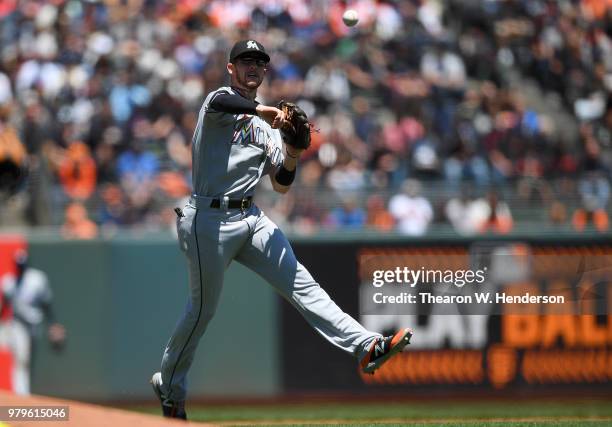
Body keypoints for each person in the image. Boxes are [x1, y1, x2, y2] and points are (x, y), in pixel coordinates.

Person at [150, 40, 413, 420]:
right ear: (231, 67)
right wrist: (264, 109)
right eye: (245, 61)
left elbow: (282, 184)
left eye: (258, 61)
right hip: (207, 220)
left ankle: (366, 346)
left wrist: (293, 151)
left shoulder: (266, 127)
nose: (252, 66)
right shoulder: (219, 101)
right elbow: (227, 105)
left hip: (250, 218)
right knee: (203, 310)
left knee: (302, 283)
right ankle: (170, 387)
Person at [0, 249, 66, 395]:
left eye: (23, 265)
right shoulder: (9, 282)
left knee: (28, 358)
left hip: (34, 325)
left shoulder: (37, 280)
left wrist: (53, 323)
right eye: (18, 265)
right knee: (21, 358)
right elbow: (4, 306)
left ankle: (26, 394)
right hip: (17, 325)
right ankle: (21, 396)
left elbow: (46, 303)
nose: (21, 268)